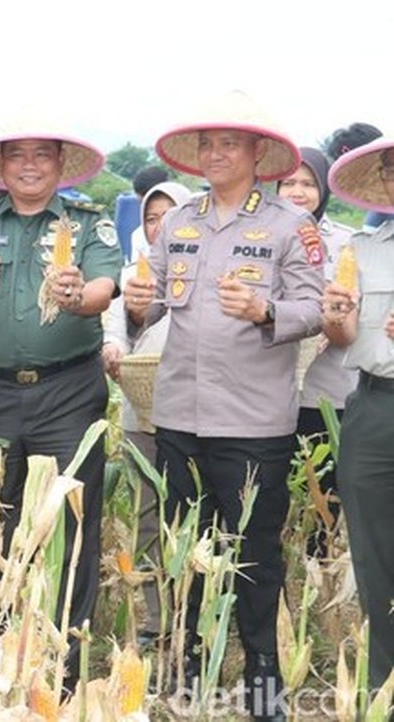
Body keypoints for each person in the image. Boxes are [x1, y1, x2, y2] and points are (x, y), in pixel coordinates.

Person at [124, 91, 323, 721]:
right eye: (206, 144)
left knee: (256, 553)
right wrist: (135, 300)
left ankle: (263, 675)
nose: (214, 154)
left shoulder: (292, 226)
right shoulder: (180, 221)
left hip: (253, 423)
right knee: (188, 545)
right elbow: (149, 303)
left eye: (228, 143)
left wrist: (266, 310)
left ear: (257, 154)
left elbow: (315, 307)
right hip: (180, 417)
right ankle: (189, 668)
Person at [0, 121, 119, 691]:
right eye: (15, 156)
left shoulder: (88, 223)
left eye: (41, 155)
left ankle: (63, 669)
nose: (28, 165)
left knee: (69, 524)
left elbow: (100, 290)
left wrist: (75, 297)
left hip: (68, 393)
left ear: (61, 163)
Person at [101, 180, 192, 651]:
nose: (160, 226)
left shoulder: (205, 268)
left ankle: (197, 611)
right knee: (149, 517)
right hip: (143, 415)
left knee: (193, 514)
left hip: (198, 418)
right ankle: (159, 617)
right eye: (152, 218)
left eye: (170, 215)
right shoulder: (132, 273)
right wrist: (115, 344)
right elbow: (116, 323)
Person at [322, 137, 394, 695]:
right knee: (374, 556)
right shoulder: (364, 250)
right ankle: (382, 686)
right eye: (392, 170)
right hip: (375, 406)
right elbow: (345, 336)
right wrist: (337, 316)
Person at [279, 147, 356, 557]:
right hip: (268, 391)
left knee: (322, 503)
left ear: (324, 190)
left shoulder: (346, 243)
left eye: (308, 184)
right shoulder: (257, 236)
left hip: (326, 394)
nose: (297, 192)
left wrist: (336, 320)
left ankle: (316, 578)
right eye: (288, 183)